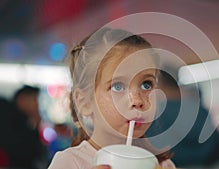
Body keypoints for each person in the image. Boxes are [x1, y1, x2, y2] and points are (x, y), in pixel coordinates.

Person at [48, 27, 176, 169]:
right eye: (118, 86)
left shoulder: (162, 165)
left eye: (146, 85)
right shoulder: (69, 162)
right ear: (84, 102)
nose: (138, 101)